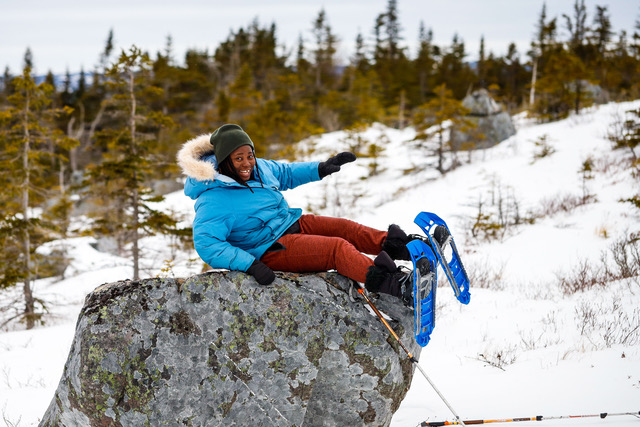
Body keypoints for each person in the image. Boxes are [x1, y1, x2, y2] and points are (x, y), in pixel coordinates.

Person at [177, 124, 422, 304]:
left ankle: (404, 248)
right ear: (223, 161)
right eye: (238, 158)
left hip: (291, 223)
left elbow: (285, 173)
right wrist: (250, 265)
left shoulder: (259, 168)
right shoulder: (213, 198)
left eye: (249, 155)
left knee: (346, 228)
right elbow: (207, 244)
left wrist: (321, 168)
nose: (246, 163)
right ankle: (396, 285)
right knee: (336, 249)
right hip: (269, 248)